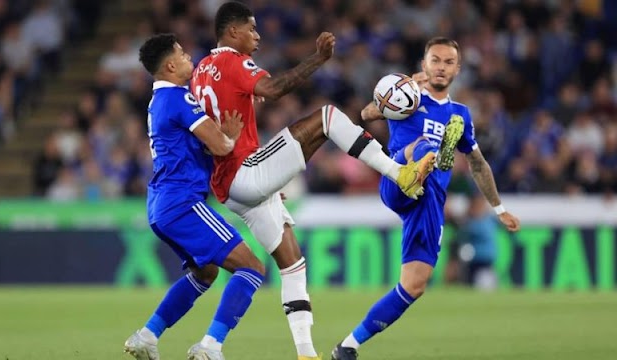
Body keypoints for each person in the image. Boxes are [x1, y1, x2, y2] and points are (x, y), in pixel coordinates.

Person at [192, 3, 432, 359]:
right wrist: (318, 59)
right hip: (245, 171)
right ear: (231, 33)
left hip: (229, 187)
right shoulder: (232, 61)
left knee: (292, 263)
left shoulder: (202, 70)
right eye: (252, 30)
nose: (258, 36)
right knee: (327, 117)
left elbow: (241, 101)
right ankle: (401, 173)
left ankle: (293, 351)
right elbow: (274, 89)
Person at [330, 37, 521, 360]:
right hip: (398, 179)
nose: (441, 67)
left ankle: (348, 345)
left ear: (457, 69)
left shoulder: (460, 114)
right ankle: (427, 158)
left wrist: (498, 208)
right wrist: (406, 84)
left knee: (414, 286)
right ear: (424, 64)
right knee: (424, 148)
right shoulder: (408, 96)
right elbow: (366, 113)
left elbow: (478, 164)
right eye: (435, 60)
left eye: (448, 62)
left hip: (428, 202)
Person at [123, 33, 266, 360]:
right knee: (252, 267)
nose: (190, 57)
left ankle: (147, 336)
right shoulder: (179, 99)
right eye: (184, 53)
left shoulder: (157, 101)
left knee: (206, 273)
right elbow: (220, 146)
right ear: (171, 65)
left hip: (161, 205)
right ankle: (210, 346)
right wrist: (228, 136)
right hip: (182, 202)